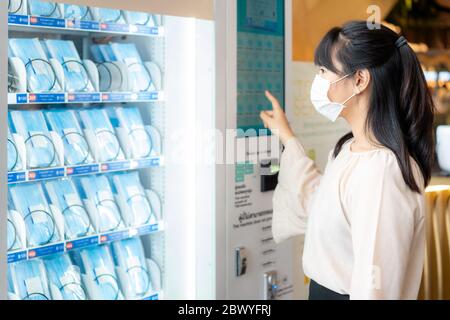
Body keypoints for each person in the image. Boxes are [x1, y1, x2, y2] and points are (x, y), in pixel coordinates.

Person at [260, 21, 435, 300]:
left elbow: (376, 287)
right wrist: (287, 135)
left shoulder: (383, 171)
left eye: (323, 71)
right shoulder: (347, 149)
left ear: (360, 80)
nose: (317, 81)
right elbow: (321, 202)